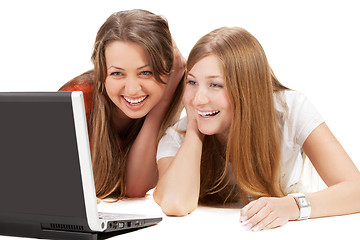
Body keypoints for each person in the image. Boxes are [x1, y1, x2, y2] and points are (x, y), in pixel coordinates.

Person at [153, 27, 360, 231]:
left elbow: (355, 189)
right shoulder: (178, 136)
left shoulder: (291, 110)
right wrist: (194, 131)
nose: (198, 99)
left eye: (215, 85)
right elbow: (175, 203)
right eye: (192, 82)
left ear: (246, 89)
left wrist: (292, 206)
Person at [59, 9, 185, 200]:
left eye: (146, 72)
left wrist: (165, 101)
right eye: (117, 73)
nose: (133, 90)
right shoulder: (76, 99)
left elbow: (135, 188)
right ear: (102, 73)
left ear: (169, 71)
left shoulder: (171, 96)